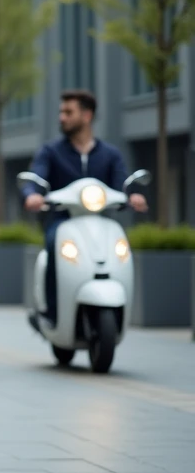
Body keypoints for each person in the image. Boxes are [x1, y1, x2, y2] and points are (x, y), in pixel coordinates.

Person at [22, 90, 148, 330]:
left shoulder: (110, 154)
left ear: (87, 115)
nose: (62, 117)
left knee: (118, 250)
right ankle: (51, 311)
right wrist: (32, 195)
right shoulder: (51, 152)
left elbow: (121, 183)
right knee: (53, 246)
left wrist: (133, 196)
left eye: (69, 112)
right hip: (62, 220)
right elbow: (36, 179)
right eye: (61, 112)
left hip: (98, 220)